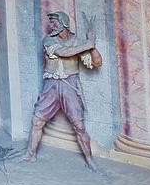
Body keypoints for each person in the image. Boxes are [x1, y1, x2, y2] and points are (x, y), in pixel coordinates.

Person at [22, 11, 102, 172]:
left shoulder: (77, 41)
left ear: (64, 23)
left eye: (55, 22)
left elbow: (97, 63)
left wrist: (92, 45)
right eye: (50, 22)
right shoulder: (48, 40)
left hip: (70, 85)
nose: (51, 25)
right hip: (51, 85)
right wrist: (87, 45)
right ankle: (30, 154)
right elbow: (63, 53)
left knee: (79, 126)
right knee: (37, 121)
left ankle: (89, 160)